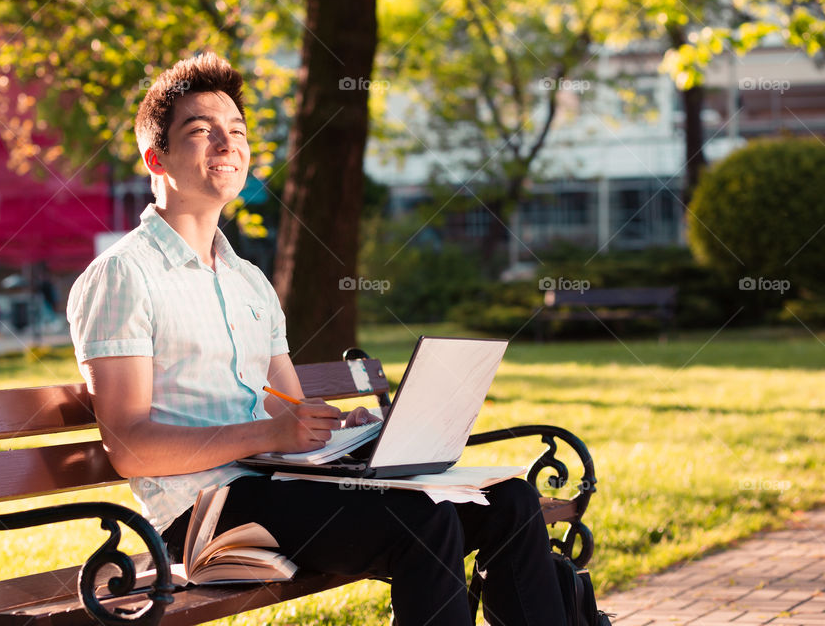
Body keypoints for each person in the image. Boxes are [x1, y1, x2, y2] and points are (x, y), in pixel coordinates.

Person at [67, 52, 566, 626]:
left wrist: (337, 431)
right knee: (425, 525)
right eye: (201, 132)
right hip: (205, 512)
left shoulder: (247, 279)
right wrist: (274, 432)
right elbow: (130, 448)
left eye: (237, 132)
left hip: (283, 484)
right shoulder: (124, 275)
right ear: (156, 157)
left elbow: (292, 409)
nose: (226, 146)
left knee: (510, 501)